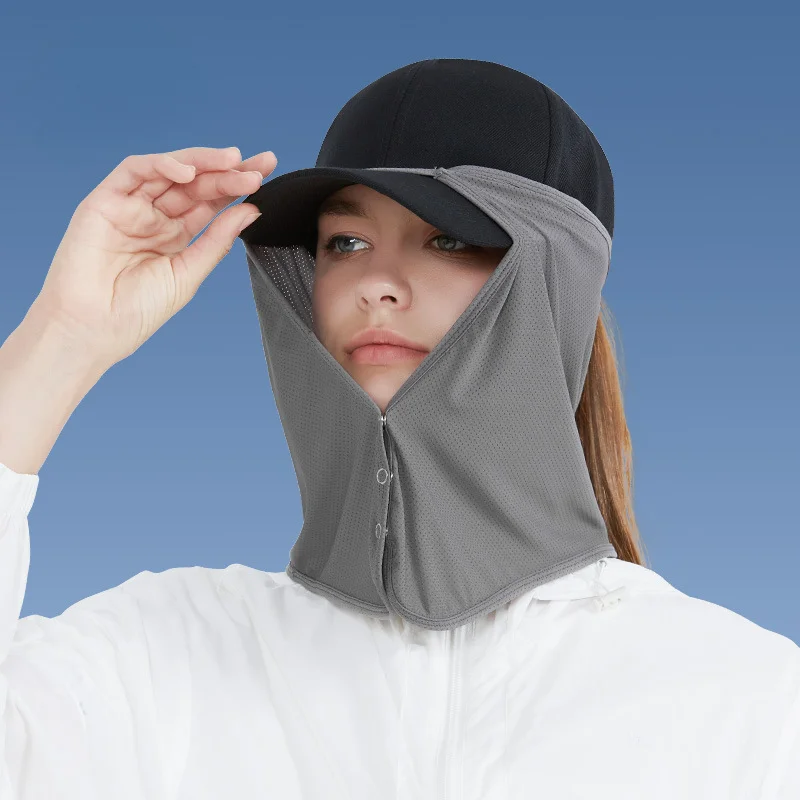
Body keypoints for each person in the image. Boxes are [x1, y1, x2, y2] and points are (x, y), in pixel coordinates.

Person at [0, 58, 798, 797]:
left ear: (556, 278)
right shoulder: (160, 658)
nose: (376, 283)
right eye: (345, 243)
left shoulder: (743, 703)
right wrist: (61, 340)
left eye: (447, 239)